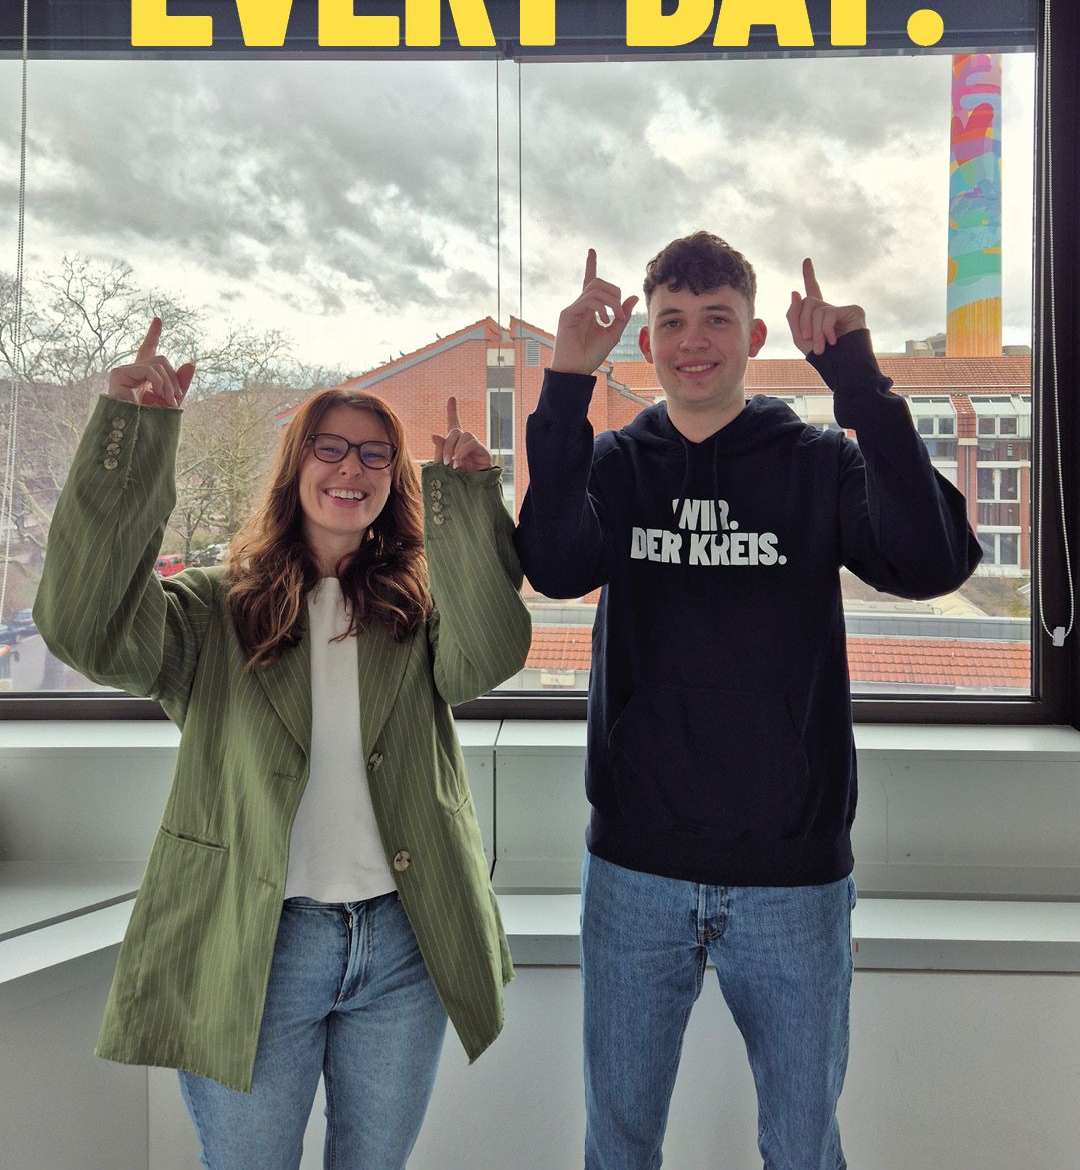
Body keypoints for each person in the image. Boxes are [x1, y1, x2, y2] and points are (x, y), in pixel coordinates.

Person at [514, 233, 981, 1169]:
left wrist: (860, 382)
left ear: (755, 333)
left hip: (794, 880)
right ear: (645, 344)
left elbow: (933, 562)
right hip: (635, 873)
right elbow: (554, 566)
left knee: (803, 1147)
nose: (694, 341)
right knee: (619, 1144)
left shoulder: (815, 459)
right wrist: (564, 381)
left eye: (716, 319)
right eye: (672, 323)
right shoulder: (616, 462)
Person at [33, 319, 531, 1170]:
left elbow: (492, 654)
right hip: (255, 945)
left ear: (395, 482)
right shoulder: (212, 608)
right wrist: (133, 432)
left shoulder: (418, 612)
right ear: (297, 465)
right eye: (331, 448)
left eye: (377, 456)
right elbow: (85, 628)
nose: (352, 470)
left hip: (404, 946)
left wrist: (466, 497)